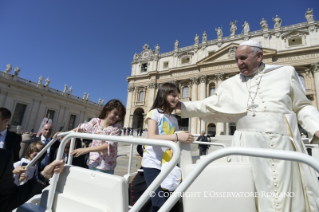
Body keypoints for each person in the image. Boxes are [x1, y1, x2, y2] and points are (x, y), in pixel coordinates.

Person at [176, 40, 319, 212]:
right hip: (246, 146)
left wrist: (315, 126)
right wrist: (178, 107)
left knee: (284, 190)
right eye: (236, 59)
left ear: (259, 56)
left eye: (243, 58)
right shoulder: (230, 84)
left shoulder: (286, 73)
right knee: (249, 192)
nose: (238, 63)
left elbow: (302, 106)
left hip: (283, 144)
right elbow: (208, 104)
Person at [144, 83, 194, 212]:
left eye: (178, 96)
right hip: (153, 164)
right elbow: (151, 137)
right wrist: (177, 137)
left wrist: (185, 138)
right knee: (158, 202)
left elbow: (175, 138)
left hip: (168, 165)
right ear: (163, 94)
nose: (177, 99)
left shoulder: (174, 119)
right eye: (173, 95)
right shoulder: (153, 113)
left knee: (171, 202)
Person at [69, 99, 126, 175]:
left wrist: (86, 150)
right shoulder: (95, 122)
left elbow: (108, 145)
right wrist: (66, 133)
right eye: (115, 113)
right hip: (93, 162)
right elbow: (82, 128)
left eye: (120, 115)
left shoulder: (116, 127)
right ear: (107, 110)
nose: (117, 117)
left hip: (107, 166)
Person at [0, 148, 64, 212]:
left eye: (40, 151)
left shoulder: (4, 157)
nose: (38, 153)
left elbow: (6, 201)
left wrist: (44, 175)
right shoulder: (10, 159)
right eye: (36, 151)